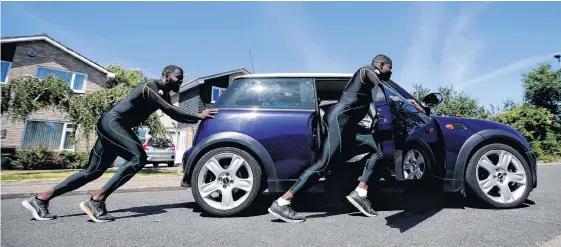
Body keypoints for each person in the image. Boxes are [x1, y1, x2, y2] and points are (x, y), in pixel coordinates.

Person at [21, 65, 218, 223]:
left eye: (182, 78)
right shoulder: (150, 87)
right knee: (138, 157)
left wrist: (195, 118)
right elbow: (171, 110)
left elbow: (170, 111)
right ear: (165, 76)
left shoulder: (163, 95)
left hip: (115, 127)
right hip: (112, 123)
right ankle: (96, 200)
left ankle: (40, 199)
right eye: (177, 77)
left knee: (92, 172)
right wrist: (198, 116)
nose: (180, 81)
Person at [268, 54, 410, 223]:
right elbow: (379, 92)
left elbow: (372, 101)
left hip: (349, 126)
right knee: (324, 164)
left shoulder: (370, 83)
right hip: (338, 121)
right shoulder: (368, 71)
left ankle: (360, 193)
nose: (391, 71)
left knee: (378, 150)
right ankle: (282, 202)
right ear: (380, 64)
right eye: (389, 67)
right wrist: (396, 104)